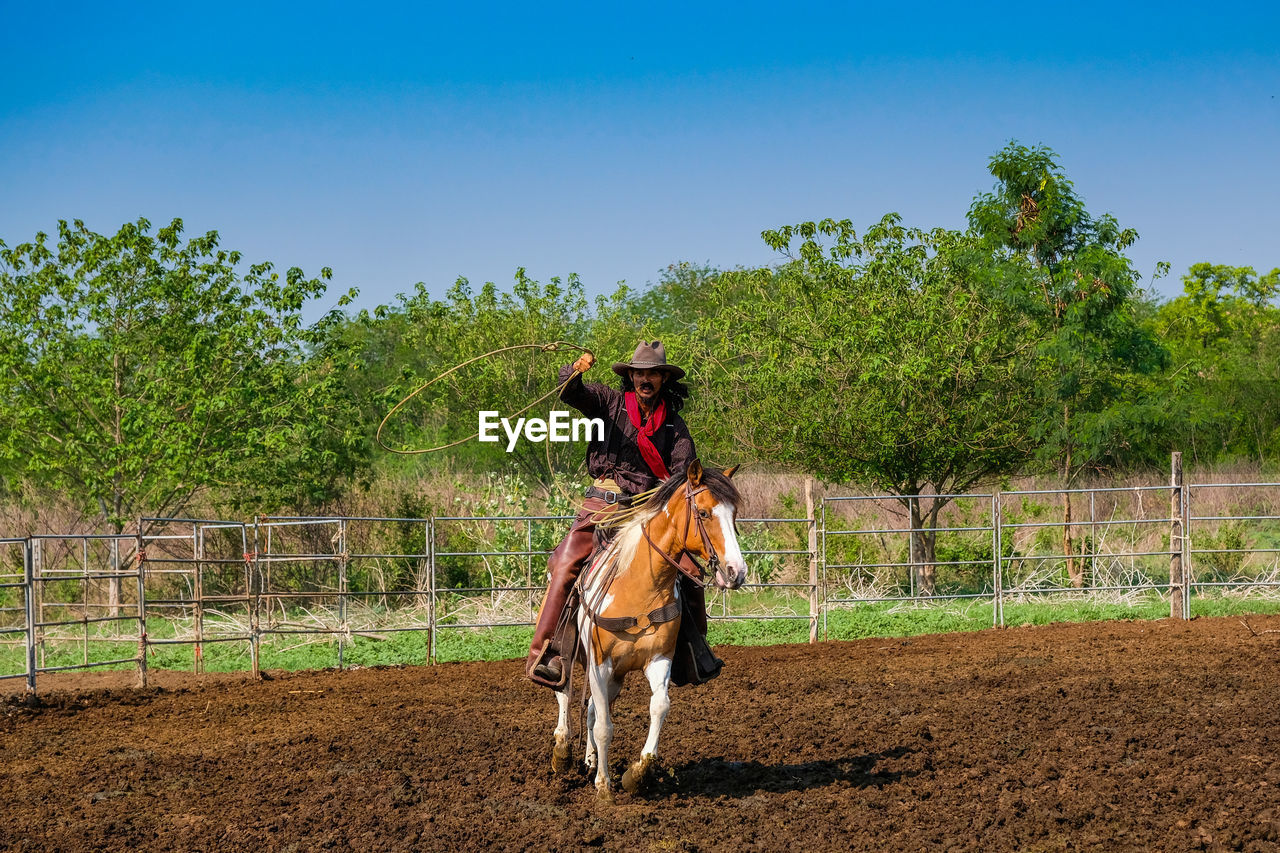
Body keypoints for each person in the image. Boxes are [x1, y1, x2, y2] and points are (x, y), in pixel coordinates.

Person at [526, 340, 719, 689]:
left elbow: (681, 476)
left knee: (691, 572)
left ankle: (693, 653)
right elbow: (571, 394)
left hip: (647, 509)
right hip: (605, 501)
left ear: (663, 379)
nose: (646, 379)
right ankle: (551, 653)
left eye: (654, 373)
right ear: (630, 376)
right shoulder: (608, 402)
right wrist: (574, 372)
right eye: (640, 373)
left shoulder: (675, 426)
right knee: (566, 561)